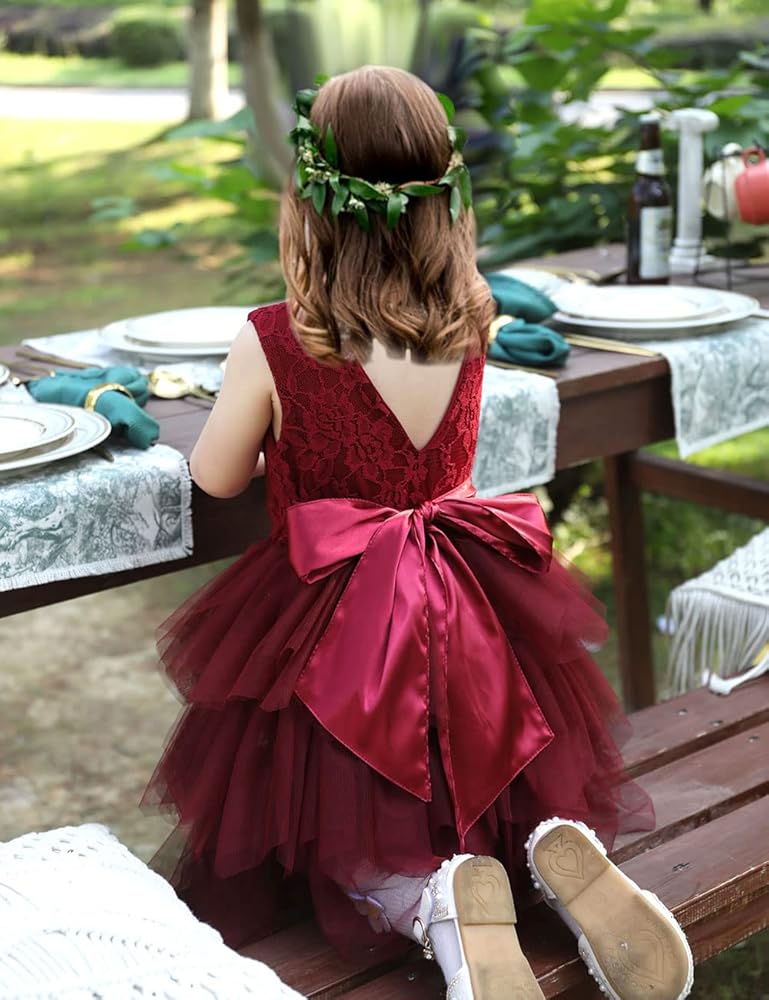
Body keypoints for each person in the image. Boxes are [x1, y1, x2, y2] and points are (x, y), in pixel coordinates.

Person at [144, 66, 693, 1000]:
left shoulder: (275, 338)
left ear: (312, 197)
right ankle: (545, 850)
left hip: (334, 616)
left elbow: (216, 476)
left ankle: (428, 899)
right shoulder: (471, 316)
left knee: (347, 823)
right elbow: (453, 460)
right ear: (443, 192)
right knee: (490, 746)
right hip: (465, 584)